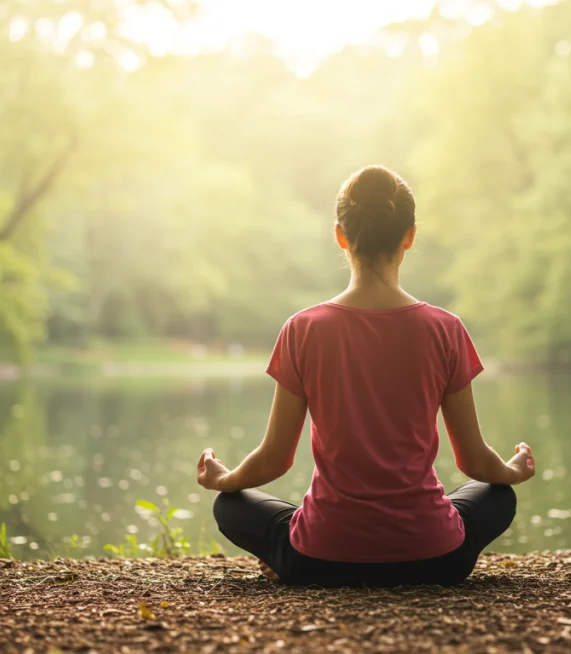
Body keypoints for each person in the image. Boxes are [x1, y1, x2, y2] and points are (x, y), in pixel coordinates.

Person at [195, 165, 536, 587]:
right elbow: (474, 461)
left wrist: (223, 479)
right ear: (409, 236)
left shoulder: (303, 329)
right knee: (497, 495)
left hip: (319, 560)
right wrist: (513, 469)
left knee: (230, 506)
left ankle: (287, 557)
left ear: (340, 235)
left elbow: (275, 459)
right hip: (437, 559)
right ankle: (423, 537)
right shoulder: (445, 328)